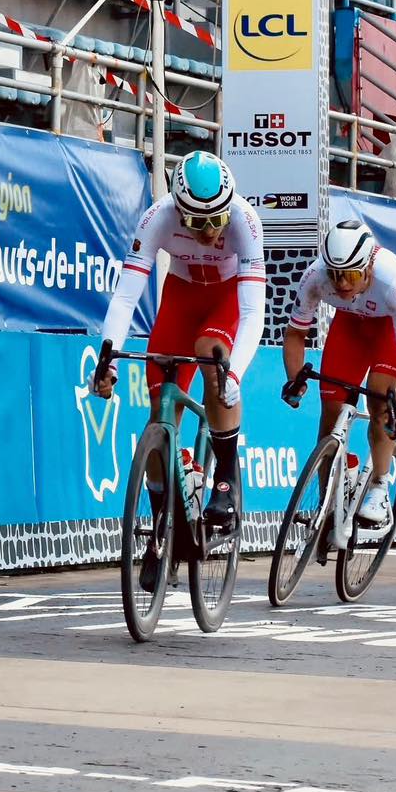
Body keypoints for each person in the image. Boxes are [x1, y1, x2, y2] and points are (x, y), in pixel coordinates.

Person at [93, 151, 265, 540]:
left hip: (225, 298)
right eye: (198, 222)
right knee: (160, 413)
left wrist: (235, 374)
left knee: (210, 353)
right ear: (178, 210)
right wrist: (109, 359)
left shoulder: (245, 220)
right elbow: (125, 297)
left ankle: (225, 479)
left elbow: (254, 311)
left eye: (218, 219)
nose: (210, 231)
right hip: (182, 297)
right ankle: (162, 530)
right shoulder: (158, 217)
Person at [282, 221, 396, 525]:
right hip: (351, 323)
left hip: (388, 324)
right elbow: (295, 334)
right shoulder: (316, 276)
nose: (343, 284)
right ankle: (326, 508)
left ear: (368, 267)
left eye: (352, 275)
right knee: (331, 411)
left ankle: (379, 487)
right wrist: (294, 379)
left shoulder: (391, 280)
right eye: (335, 275)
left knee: (380, 403)